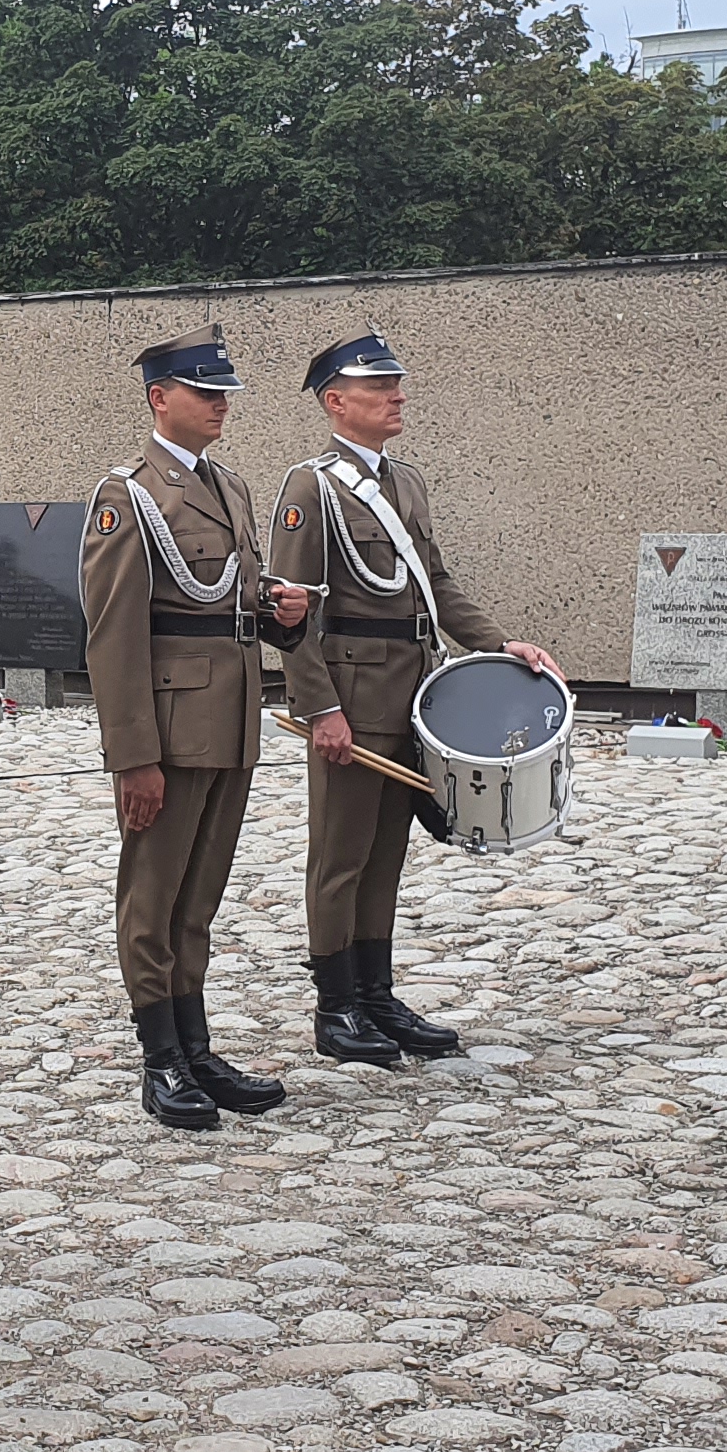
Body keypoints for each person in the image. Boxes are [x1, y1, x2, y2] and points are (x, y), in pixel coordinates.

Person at [268, 332, 559, 1066]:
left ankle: (376, 993)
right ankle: (336, 1008)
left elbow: (439, 587)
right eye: (379, 387)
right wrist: (319, 709)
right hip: (352, 696)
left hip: (412, 694)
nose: (398, 396)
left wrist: (499, 646)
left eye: (398, 384)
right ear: (337, 401)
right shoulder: (312, 489)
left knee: (387, 854)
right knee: (341, 856)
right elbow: (290, 611)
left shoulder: (407, 483)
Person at [78, 326, 314, 1130]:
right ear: (159, 398)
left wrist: (279, 614)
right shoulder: (129, 494)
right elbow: (114, 636)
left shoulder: (229, 488)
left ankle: (196, 1045)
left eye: (225, 394)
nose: (219, 405)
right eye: (205, 392)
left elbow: (231, 603)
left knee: (199, 898)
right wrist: (133, 757)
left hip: (230, 720)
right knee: (154, 898)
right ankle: (161, 1059)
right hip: (172, 731)